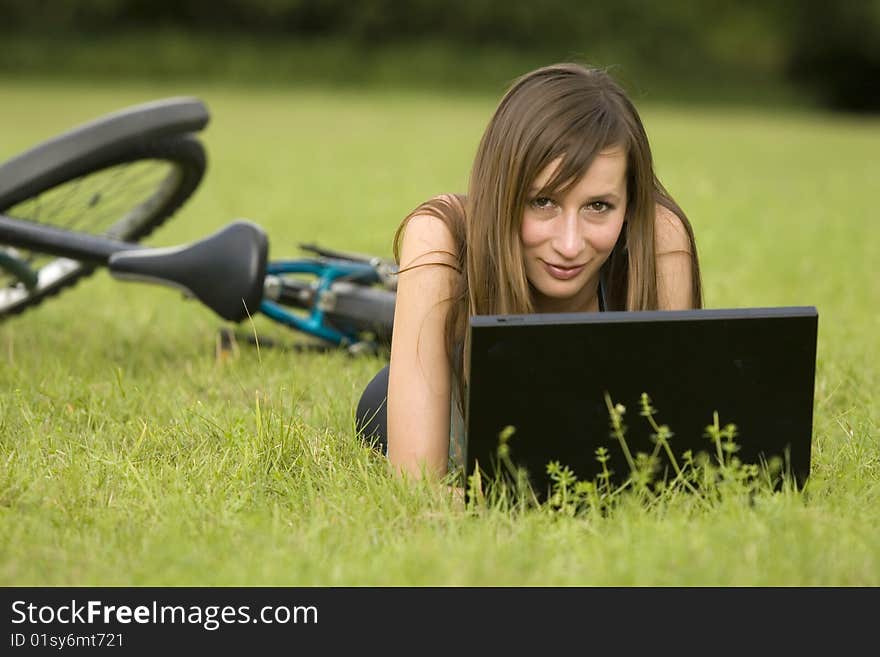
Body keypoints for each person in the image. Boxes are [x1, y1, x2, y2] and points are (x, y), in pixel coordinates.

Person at [356, 62, 702, 482]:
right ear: (502, 191)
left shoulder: (658, 235)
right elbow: (419, 483)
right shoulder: (440, 232)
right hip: (444, 406)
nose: (570, 244)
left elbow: (668, 461)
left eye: (599, 206)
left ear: (629, 202)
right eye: (543, 202)